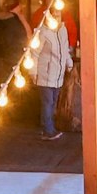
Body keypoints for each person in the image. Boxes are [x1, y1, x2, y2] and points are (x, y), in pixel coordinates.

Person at [32, 9, 71, 141]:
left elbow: (65, 49)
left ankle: (49, 127)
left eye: (58, 15)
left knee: (53, 102)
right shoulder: (43, 32)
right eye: (53, 15)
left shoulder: (63, 30)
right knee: (47, 102)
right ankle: (47, 130)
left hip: (58, 73)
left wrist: (69, 63)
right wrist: (33, 71)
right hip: (45, 73)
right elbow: (34, 53)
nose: (56, 18)